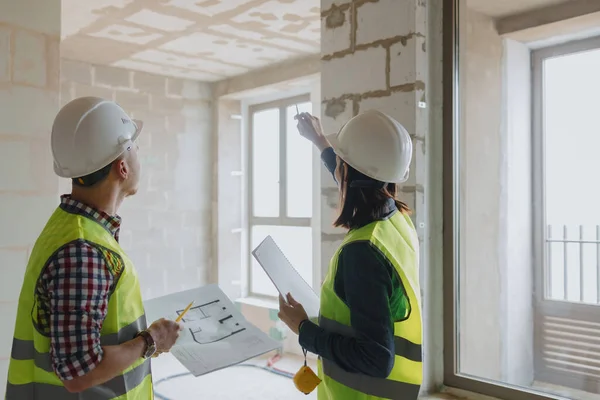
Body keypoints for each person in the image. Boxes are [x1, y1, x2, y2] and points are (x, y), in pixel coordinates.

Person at [6, 97, 182, 399]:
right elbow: (79, 372)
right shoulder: (83, 250)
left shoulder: (76, 230)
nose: (139, 153)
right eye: (134, 147)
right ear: (122, 167)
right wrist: (151, 340)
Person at [278, 110, 422, 400]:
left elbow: (376, 359)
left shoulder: (362, 253)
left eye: (341, 164)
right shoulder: (396, 220)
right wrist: (321, 142)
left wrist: (303, 329)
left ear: (349, 173)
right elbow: (356, 177)